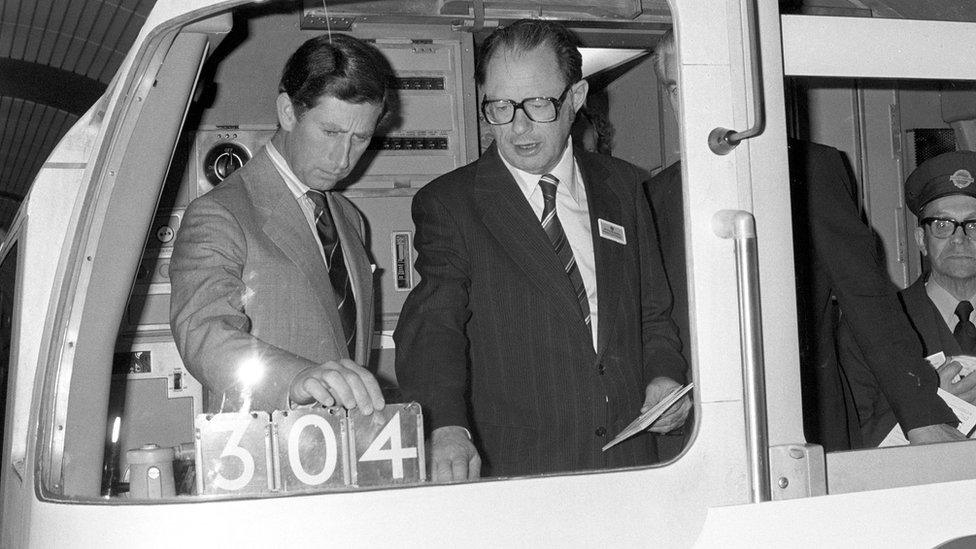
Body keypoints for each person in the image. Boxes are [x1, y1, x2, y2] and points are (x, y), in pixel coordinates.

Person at [394, 19, 690, 481]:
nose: (518, 127)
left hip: (632, 464)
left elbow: (653, 314)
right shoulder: (451, 205)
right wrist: (445, 426)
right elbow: (434, 330)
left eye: (538, 104)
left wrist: (664, 378)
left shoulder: (626, 187)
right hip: (524, 471)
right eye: (500, 106)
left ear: (575, 98)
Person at [645, 29, 959, 449]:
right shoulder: (652, 196)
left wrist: (921, 416)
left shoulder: (811, 172)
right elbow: (650, 319)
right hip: (699, 436)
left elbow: (869, 302)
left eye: (704, 85)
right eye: (675, 88)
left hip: (807, 425)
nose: (692, 103)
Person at [169, 34, 389, 415]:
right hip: (263, 453)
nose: (343, 158)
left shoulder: (350, 218)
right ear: (288, 111)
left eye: (361, 138)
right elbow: (204, 333)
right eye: (331, 132)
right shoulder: (220, 214)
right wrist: (297, 380)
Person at [839, 151, 976, 446]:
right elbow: (852, 446)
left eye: (974, 225)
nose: (959, 238)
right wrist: (930, 410)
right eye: (942, 224)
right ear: (920, 240)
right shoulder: (869, 327)